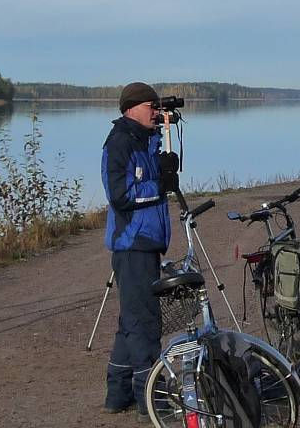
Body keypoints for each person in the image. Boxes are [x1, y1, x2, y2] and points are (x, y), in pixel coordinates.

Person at [101, 82, 173, 414]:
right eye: (151, 107)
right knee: (144, 321)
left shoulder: (143, 140)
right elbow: (120, 196)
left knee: (131, 320)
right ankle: (150, 401)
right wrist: (158, 186)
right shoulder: (119, 143)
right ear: (131, 108)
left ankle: (118, 395)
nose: (156, 112)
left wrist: (164, 135)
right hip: (132, 244)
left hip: (144, 243)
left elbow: (165, 172)